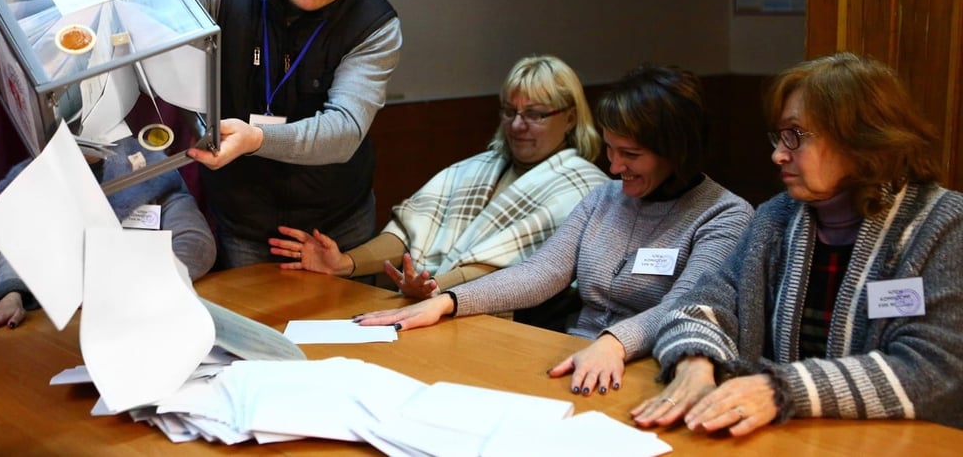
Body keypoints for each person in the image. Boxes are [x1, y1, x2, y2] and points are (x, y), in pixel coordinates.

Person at [0, 0, 402, 270]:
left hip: (338, 226)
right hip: (244, 224)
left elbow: (345, 131)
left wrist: (256, 139)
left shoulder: (375, 25)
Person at [352, 64, 754, 397]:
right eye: (611, 150)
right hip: (572, 353)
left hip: (654, 369)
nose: (614, 168)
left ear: (678, 151)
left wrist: (613, 343)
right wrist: (448, 301)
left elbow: (684, 308)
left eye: (631, 155)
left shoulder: (724, 215)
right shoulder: (604, 198)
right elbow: (541, 273)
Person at [632, 52, 963, 435]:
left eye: (795, 136)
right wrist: (696, 360)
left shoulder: (945, 225)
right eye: (779, 136)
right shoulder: (777, 217)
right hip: (787, 438)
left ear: (861, 139)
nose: (777, 154)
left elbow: (935, 371)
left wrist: (780, 389)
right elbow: (701, 304)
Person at [269, 55, 609, 303]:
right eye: (509, 111)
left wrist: (436, 287)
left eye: (534, 114)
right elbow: (411, 232)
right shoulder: (479, 166)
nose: (518, 125)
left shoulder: (585, 187)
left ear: (570, 118)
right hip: (430, 301)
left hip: (494, 321)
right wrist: (345, 262)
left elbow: (514, 269)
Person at [0, 136, 216, 337]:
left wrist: (130, 287)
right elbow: (17, 247)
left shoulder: (151, 168)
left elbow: (195, 244)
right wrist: (10, 295)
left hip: (146, 322)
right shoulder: (33, 177)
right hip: (64, 332)